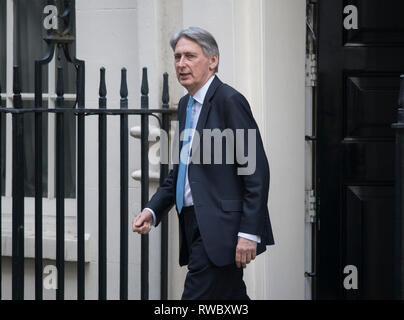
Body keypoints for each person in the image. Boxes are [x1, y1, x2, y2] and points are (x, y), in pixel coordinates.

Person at [132, 26, 274, 300]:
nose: (181, 64)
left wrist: (248, 233)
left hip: (223, 230)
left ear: (213, 61)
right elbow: (181, 173)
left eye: (190, 56)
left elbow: (256, 171)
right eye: (177, 57)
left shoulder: (230, 101)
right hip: (194, 224)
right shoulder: (186, 105)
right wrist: (152, 210)